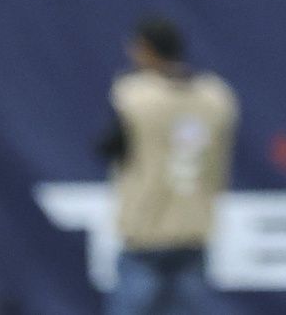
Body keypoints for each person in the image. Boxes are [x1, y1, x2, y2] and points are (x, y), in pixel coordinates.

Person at [99, 17, 239, 315]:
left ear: (146, 50)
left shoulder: (135, 96)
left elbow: (107, 147)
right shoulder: (216, 96)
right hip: (194, 226)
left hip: (145, 230)